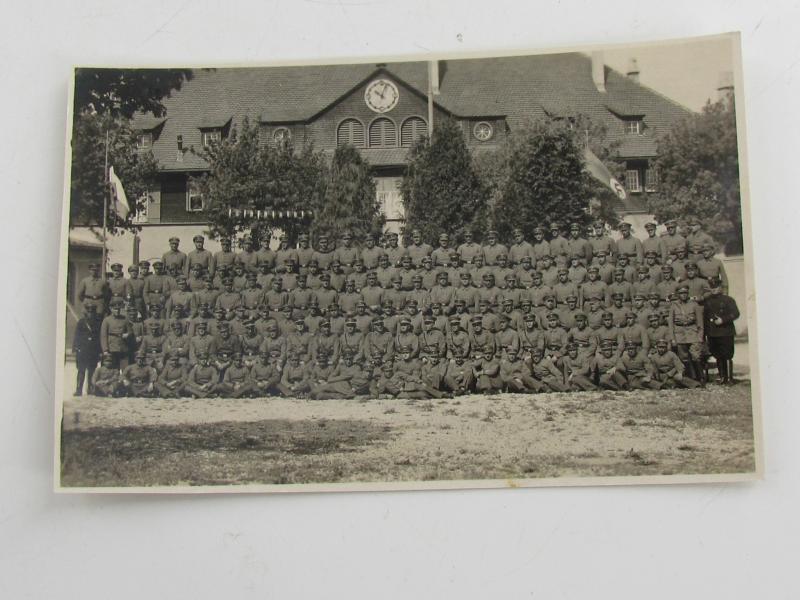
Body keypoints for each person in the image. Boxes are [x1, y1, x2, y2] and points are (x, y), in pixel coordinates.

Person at [703, 276, 740, 384]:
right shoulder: (708, 301)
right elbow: (705, 317)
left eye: (716, 286)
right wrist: (705, 333)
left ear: (720, 287)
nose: (713, 289)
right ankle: (722, 377)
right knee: (717, 355)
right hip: (713, 333)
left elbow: (736, 313)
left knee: (727, 354)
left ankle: (729, 378)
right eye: (711, 287)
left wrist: (723, 320)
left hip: (725, 332)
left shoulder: (728, 300)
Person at [669, 284, 706, 384]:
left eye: (685, 293)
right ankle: (690, 378)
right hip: (679, 335)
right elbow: (671, 324)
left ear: (688, 293)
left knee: (696, 356)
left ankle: (701, 378)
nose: (683, 295)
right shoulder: (673, 306)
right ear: (678, 294)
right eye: (681, 293)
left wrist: (700, 337)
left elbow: (700, 323)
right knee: (683, 358)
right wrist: (673, 338)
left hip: (692, 334)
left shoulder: (694, 305)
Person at [72, 304, 102, 396]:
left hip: (93, 351)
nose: (90, 314)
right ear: (86, 313)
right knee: (81, 370)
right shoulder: (81, 322)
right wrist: (76, 348)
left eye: (92, 312)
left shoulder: (98, 323)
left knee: (91, 371)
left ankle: (90, 389)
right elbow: (77, 336)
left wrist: (100, 351)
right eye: (89, 312)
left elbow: (99, 338)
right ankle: (78, 389)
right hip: (83, 351)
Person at [100, 298, 133, 369]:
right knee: (114, 369)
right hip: (112, 348)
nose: (117, 311)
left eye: (118, 309)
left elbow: (130, 331)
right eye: (115, 309)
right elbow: (103, 336)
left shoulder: (125, 319)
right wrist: (105, 350)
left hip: (123, 347)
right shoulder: (107, 320)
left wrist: (128, 334)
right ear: (111, 309)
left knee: (125, 369)